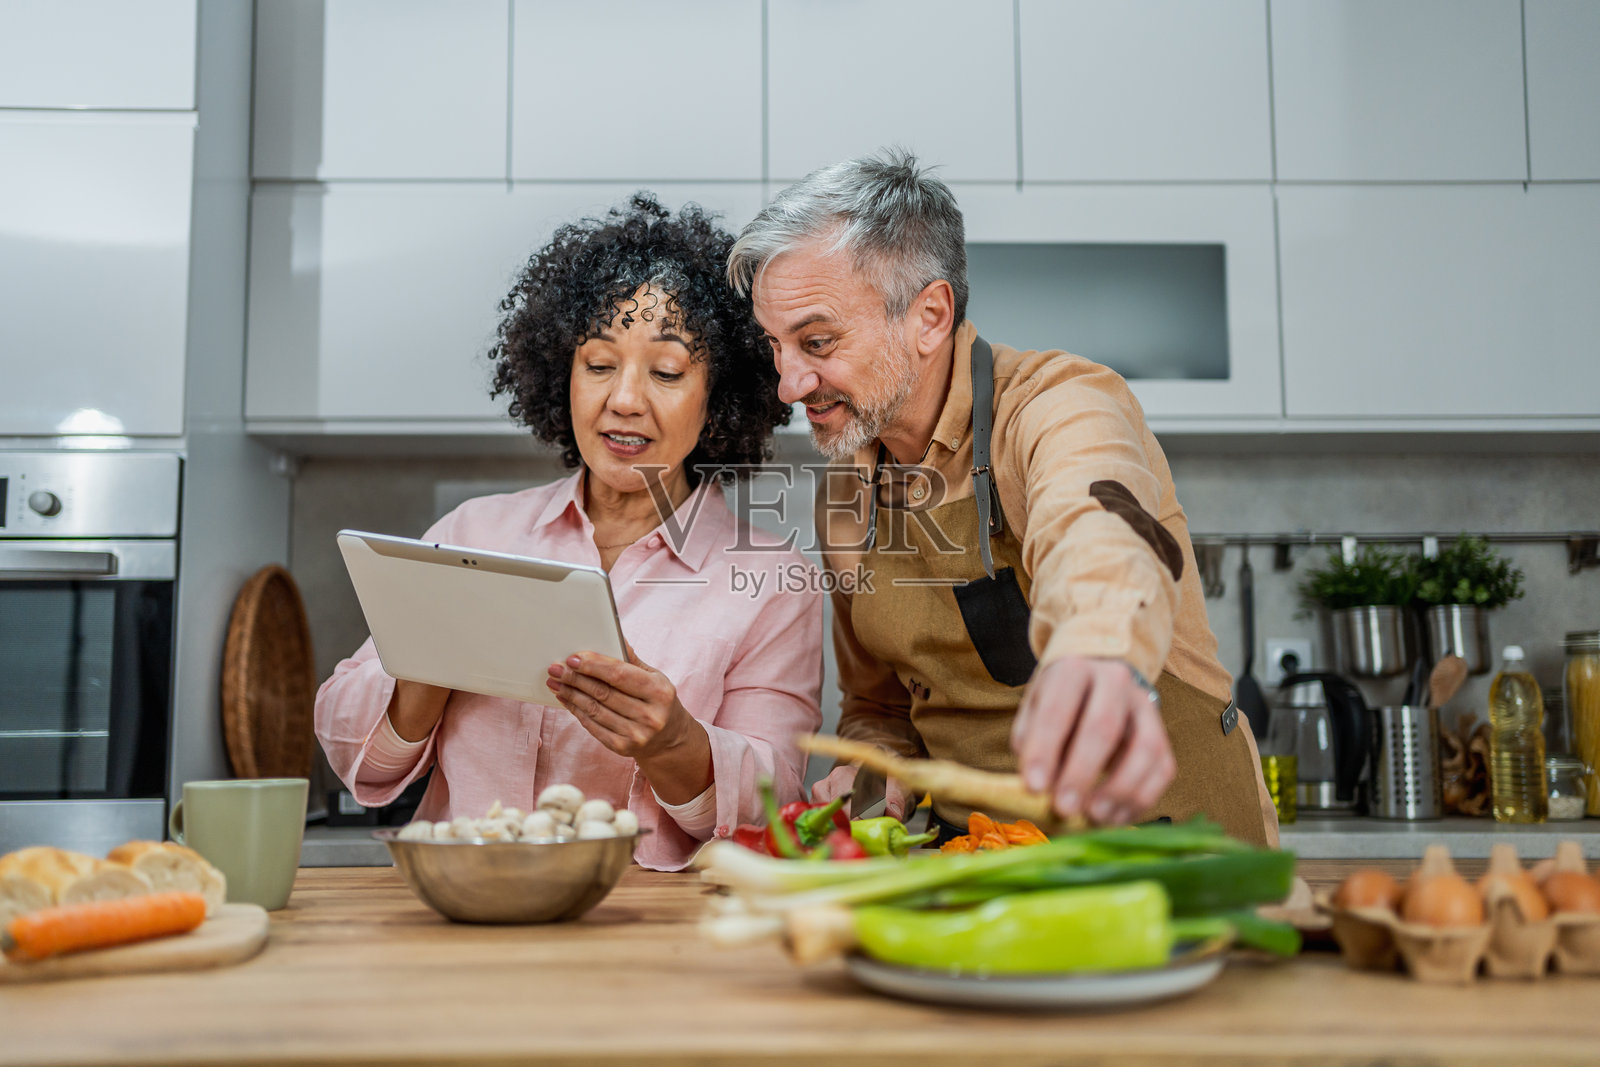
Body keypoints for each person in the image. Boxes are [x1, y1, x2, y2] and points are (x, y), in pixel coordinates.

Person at [727, 150, 1276, 845]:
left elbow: (1099, 538)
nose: (788, 384)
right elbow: (879, 704)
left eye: (817, 341)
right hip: (977, 860)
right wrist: (877, 764)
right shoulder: (845, 487)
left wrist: (1097, 654)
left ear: (930, 316)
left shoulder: (1058, 406)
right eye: (775, 345)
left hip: (1167, 846)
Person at [316, 195, 823, 870]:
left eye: (667, 372)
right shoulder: (472, 534)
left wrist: (673, 742)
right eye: (599, 364)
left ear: (719, 395)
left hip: (651, 927)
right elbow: (353, 754)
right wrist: (423, 675)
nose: (624, 399)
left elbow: (779, 803)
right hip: (463, 905)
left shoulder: (772, 582)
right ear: (564, 374)